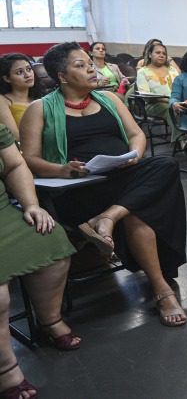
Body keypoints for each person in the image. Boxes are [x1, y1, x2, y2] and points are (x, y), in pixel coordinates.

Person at [20, 42, 187, 328]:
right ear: (61, 76)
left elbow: (137, 136)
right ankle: (162, 290)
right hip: (78, 187)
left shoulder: (111, 99)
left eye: (89, 61)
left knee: (165, 165)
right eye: (79, 64)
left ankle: (108, 217)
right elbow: (30, 160)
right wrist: (63, 169)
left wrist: (133, 155)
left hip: (121, 177)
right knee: (139, 208)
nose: (90, 67)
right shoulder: (40, 109)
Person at [1, 123, 80, 399]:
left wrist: (31, 204)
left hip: (2, 212)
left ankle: (49, 320)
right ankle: (6, 368)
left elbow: (14, 166)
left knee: (51, 240)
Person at [136, 41, 181, 142]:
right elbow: (145, 95)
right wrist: (168, 101)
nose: (161, 55)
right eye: (158, 52)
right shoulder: (143, 71)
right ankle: (182, 139)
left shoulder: (172, 69)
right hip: (155, 104)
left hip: (176, 102)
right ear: (150, 55)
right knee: (171, 108)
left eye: (164, 53)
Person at [0, 54, 43, 140]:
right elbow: (15, 137)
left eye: (29, 69)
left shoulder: (41, 98)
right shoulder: (3, 100)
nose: (27, 75)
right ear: (6, 78)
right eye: (19, 72)